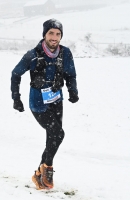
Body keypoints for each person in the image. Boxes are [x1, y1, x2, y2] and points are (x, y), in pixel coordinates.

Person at [10, 19, 79, 190]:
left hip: (56, 100)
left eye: (58, 34)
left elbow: (70, 74)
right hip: (38, 103)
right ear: (44, 34)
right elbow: (15, 74)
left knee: (53, 138)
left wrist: (73, 91)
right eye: (51, 33)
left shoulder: (65, 53)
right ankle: (47, 169)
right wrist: (16, 98)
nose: (54, 37)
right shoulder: (33, 55)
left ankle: (39, 175)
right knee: (58, 134)